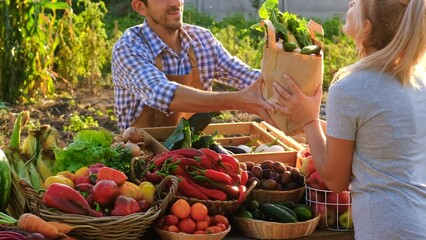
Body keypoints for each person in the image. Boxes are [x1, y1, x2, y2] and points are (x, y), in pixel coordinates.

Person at [272, 0, 426, 239]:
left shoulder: (351, 87)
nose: (350, 2)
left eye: (358, 3)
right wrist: (313, 125)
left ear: (366, 27)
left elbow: (335, 180)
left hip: (387, 228)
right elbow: (378, 139)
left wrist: (308, 122)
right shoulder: (417, 80)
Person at [111, 0, 275, 131]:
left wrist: (288, 86)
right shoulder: (129, 47)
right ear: (140, 7)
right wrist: (240, 100)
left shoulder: (201, 39)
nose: (175, 3)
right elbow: (162, 93)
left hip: (194, 151)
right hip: (142, 155)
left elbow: (244, 75)